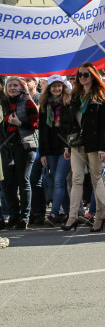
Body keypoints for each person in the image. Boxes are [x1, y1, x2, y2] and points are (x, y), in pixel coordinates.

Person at [62, 63, 105, 233]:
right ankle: (73, 216)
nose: (82, 78)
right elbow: (70, 123)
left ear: (93, 75)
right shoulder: (75, 96)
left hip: (95, 143)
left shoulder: (102, 96)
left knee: (96, 178)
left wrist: (104, 147)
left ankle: (99, 217)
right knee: (76, 178)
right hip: (77, 143)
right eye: (80, 75)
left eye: (86, 74)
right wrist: (67, 145)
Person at [1, 77, 39, 230]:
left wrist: (20, 124)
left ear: (22, 87)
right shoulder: (4, 104)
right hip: (7, 147)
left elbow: (36, 123)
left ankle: (24, 218)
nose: (12, 87)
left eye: (15, 85)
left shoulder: (27, 102)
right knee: (8, 183)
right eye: (9, 85)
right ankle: (13, 216)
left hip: (25, 146)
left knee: (23, 181)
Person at [37, 75, 72, 226]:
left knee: (59, 181)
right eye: (53, 86)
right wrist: (43, 153)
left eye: (59, 86)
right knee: (60, 181)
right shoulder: (45, 106)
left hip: (64, 148)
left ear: (63, 87)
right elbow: (42, 130)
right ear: (49, 88)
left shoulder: (69, 103)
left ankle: (53, 212)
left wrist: (69, 146)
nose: (56, 89)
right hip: (50, 149)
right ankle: (70, 211)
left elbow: (72, 127)